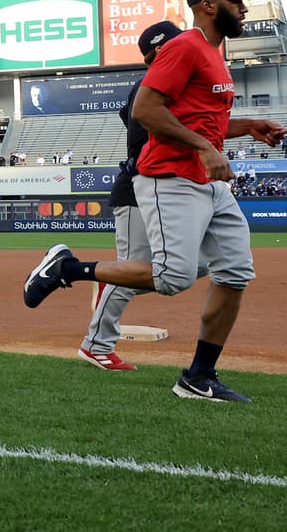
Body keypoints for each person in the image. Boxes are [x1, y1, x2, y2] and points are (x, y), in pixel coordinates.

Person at [23, 0, 285, 402]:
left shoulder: (213, 54)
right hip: (170, 177)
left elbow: (203, 123)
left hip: (208, 181)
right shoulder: (185, 47)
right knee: (171, 277)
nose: (244, 7)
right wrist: (204, 147)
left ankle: (199, 376)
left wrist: (249, 126)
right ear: (208, 5)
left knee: (234, 272)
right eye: (236, 0)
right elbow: (145, 110)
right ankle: (67, 269)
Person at [78, 22, 189, 371]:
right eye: (178, 44)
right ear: (160, 50)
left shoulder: (172, 84)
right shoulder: (148, 86)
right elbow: (142, 139)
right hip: (136, 189)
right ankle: (96, 345)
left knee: (191, 265)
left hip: (167, 188)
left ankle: (110, 276)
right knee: (133, 267)